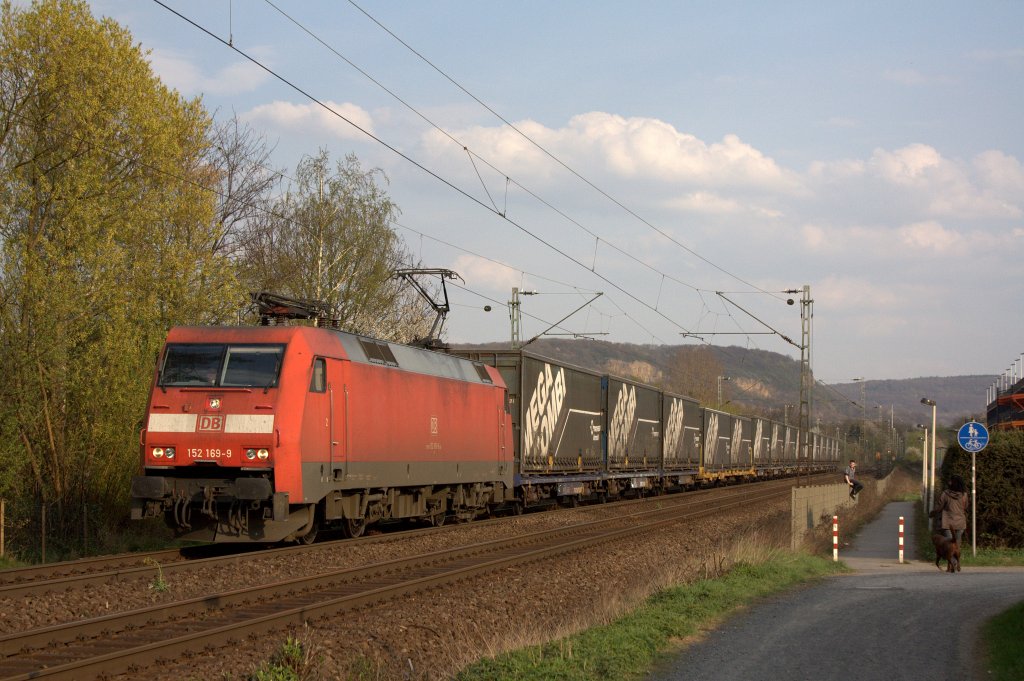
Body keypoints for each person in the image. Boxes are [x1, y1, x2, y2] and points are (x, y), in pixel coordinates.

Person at [934, 475, 969, 545]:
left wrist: (934, 512)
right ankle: (956, 554)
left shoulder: (945, 494)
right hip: (960, 522)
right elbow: (965, 507)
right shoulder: (964, 495)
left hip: (947, 523)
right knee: (957, 544)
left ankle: (950, 555)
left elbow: (939, 507)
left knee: (949, 543)